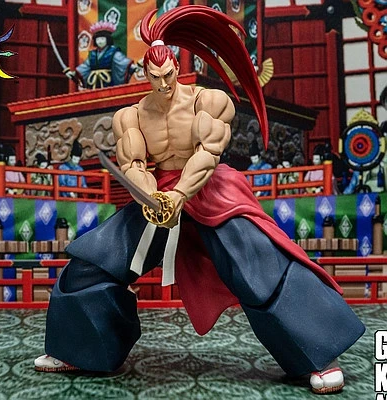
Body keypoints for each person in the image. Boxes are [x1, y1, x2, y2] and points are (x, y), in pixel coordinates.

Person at [35, 6, 364, 395]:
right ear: (144, 74)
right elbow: (134, 163)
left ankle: (317, 355)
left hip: (209, 189)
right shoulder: (131, 117)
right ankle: (79, 349)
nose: (163, 84)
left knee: (261, 262)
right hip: (159, 193)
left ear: (176, 66)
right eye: (155, 77)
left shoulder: (207, 101)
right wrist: (151, 196)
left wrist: (180, 194)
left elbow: (208, 154)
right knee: (94, 260)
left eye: (168, 74)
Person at [66, 21, 137, 89]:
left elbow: (122, 62)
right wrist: (74, 74)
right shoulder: (93, 54)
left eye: (102, 39)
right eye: (98, 40)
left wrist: (133, 67)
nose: (100, 42)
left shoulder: (113, 52)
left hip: (108, 83)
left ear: (107, 40)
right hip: (95, 84)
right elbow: (85, 66)